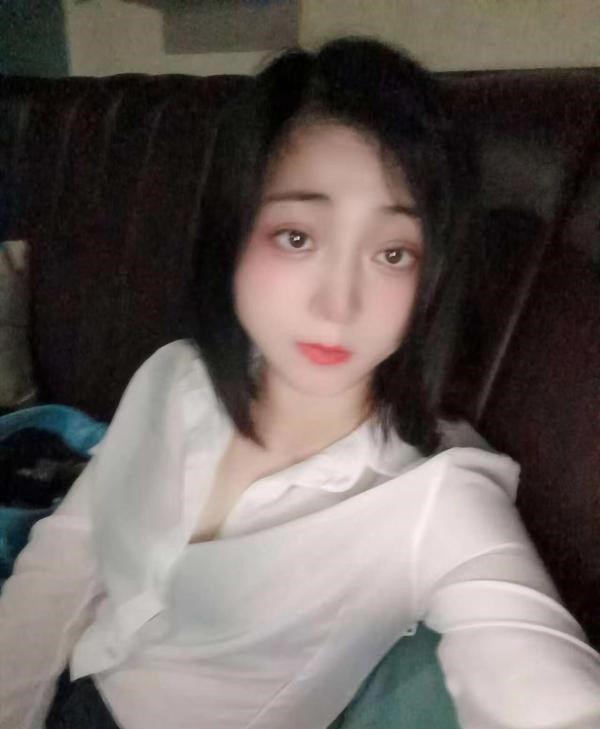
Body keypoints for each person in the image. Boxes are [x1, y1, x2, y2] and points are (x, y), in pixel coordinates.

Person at [1, 37, 600, 729]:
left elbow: (543, 686)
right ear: (234, 232)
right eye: (297, 237)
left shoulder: (435, 498)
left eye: (392, 252)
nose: (337, 305)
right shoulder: (174, 377)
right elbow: (68, 555)